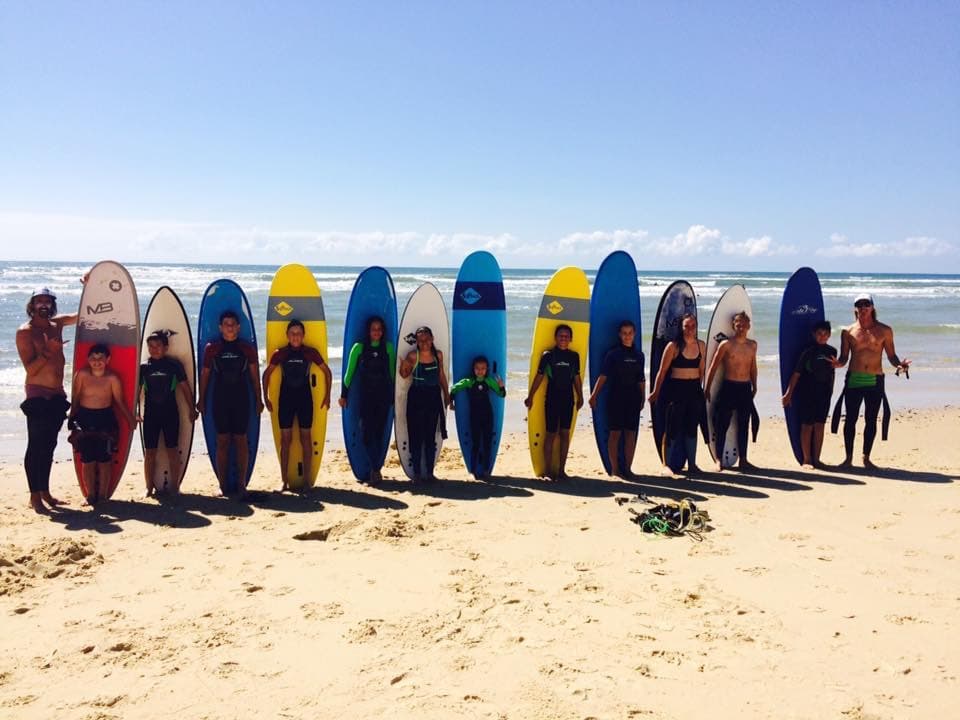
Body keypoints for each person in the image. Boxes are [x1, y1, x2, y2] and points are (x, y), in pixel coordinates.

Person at [831, 294, 911, 470]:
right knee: (850, 419)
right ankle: (848, 458)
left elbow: (891, 355)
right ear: (855, 309)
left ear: (872, 307)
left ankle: (866, 458)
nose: (863, 307)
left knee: (871, 420)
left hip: (875, 379)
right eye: (859, 304)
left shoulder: (885, 330)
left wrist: (899, 365)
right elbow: (844, 357)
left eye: (866, 304)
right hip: (854, 379)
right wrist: (838, 364)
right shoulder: (848, 332)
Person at [16, 287, 76, 513]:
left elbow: (83, 313)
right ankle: (34, 497)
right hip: (38, 394)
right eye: (39, 301)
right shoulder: (25, 332)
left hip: (57, 394)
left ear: (52, 305)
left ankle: (45, 492)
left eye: (47, 301)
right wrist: (49, 352)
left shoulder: (57, 325)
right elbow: (30, 369)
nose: (44, 305)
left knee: (50, 446)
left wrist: (91, 285)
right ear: (31, 305)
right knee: (36, 446)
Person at [197, 310, 263, 496]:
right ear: (220, 327)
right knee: (223, 441)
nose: (230, 327)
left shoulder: (246, 348)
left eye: (233, 324)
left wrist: (259, 399)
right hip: (220, 399)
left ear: (238, 327)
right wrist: (201, 399)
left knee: (241, 440)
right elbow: (205, 375)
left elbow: (254, 376)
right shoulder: (212, 348)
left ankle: (241, 485)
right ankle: (223, 484)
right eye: (226, 324)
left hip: (241, 399)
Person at [262, 320, 331, 492]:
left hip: (305, 400)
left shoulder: (310, 353)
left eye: (299, 333)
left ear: (303, 335)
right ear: (287, 335)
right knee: (285, 441)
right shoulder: (280, 354)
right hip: (285, 400)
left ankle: (307, 481)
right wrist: (265, 397)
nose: (295, 336)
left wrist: (327, 396)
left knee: (305, 439)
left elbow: (327, 372)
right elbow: (266, 374)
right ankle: (284, 481)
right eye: (292, 333)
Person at [70, 343, 136, 505]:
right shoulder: (82, 375)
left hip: (105, 419)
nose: (97, 361)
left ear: (108, 360)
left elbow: (119, 401)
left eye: (101, 358)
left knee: (104, 460)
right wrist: (72, 420)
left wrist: (130, 419)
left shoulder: (112, 378)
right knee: (87, 460)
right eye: (93, 358)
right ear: (88, 359)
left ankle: (103, 496)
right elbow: (76, 398)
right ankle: (90, 495)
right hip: (85, 418)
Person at [138, 331, 197, 497]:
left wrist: (192, 408)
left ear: (165, 347)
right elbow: (138, 391)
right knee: (150, 452)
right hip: (151, 415)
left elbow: (185, 388)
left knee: (172, 450)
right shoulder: (144, 367)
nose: (154, 349)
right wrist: (135, 412)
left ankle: (175, 487)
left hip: (171, 413)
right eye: (150, 346)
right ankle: (148, 488)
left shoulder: (174, 365)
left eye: (157, 346)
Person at [339, 316, 396, 484]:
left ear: (383, 331)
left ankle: (374, 470)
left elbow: (392, 374)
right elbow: (348, 374)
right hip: (365, 397)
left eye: (379, 329)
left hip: (383, 397)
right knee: (365, 433)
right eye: (373, 329)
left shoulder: (388, 348)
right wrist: (344, 395)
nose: (376, 332)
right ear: (368, 331)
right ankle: (375, 469)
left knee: (378, 434)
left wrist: (394, 396)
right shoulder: (359, 348)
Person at [648, 313, 707, 475]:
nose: (689, 329)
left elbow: (702, 370)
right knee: (672, 428)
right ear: (681, 328)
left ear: (696, 327)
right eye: (686, 326)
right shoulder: (673, 346)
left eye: (692, 326)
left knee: (691, 428)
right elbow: (662, 371)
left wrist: (700, 390)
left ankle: (692, 464)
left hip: (694, 390)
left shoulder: (701, 345)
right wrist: (655, 392)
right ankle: (665, 465)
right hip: (676, 390)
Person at [524, 324, 584, 481]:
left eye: (566, 336)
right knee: (550, 434)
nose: (563, 338)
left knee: (565, 434)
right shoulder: (548, 356)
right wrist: (530, 396)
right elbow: (539, 377)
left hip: (568, 399)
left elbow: (576, 378)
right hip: (552, 399)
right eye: (560, 336)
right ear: (556, 338)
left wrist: (580, 396)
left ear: (570, 339)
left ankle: (562, 470)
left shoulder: (574, 356)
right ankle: (549, 471)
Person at [588, 320, 646, 479]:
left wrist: (643, 397)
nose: (627, 336)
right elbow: (603, 376)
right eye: (624, 333)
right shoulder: (613, 354)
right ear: (620, 335)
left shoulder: (639, 356)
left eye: (630, 333)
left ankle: (627, 468)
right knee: (615, 434)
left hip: (633, 398)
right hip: (616, 398)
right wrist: (594, 395)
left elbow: (641, 379)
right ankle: (615, 470)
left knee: (630, 434)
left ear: (634, 334)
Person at [704, 311, 759, 472]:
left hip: (744, 388)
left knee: (743, 424)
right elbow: (713, 366)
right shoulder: (726, 344)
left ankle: (743, 459)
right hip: (728, 387)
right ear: (733, 326)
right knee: (722, 424)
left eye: (744, 324)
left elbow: (753, 367)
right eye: (738, 324)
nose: (741, 327)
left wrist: (755, 385)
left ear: (749, 326)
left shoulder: (752, 345)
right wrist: (707, 388)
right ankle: (719, 460)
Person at [398, 326, 451, 482]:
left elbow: (441, 375)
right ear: (417, 342)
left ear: (432, 338)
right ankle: (416, 474)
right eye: (420, 340)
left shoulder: (438, 355)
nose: (424, 342)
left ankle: (429, 472)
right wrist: (403, 365)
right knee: (415, 435)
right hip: (416, 397)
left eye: (427, 339)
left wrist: (446, 395)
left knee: (430, 436)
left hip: (433, 396)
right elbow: (404, 375)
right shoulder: (413, 356)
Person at [782, 320, 837, 468]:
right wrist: (788, 394)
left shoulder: (832, 351)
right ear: (814, 334)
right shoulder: (807, 352)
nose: (822, 336)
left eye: (825, 334)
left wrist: (831, 391)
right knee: (807, 425)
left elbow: (832, 373)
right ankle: (807, 459)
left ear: (830, 335)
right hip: (808, 392)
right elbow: (796, 374)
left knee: (820, 425)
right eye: (819, 333)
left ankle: (817, 459)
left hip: (824, 393)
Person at [450, 355, 506, 480]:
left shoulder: (489, 381)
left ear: (487, 369)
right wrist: (451, 403)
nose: (480, 371)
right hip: (474, 416)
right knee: (475, 443)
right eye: (477, 368)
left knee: (487, 443)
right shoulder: (469, 381)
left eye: (483, 368)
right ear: (473, 369)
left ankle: (486, 470)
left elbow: (502, 394)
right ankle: (474, 470)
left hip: (487, 415)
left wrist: (501, 385)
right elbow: (454, 389)